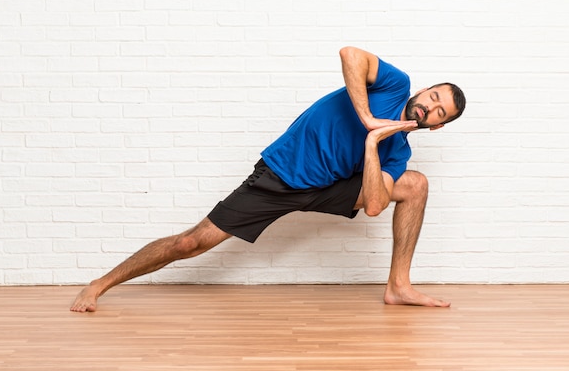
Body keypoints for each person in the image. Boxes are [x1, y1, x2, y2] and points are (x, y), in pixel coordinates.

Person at [70, 46, 466, 313]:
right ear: (423, 90)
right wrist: (367, 118)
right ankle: (100, 284)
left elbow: (375, 206)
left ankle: (398, 286)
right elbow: (350, 54)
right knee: (190, 242)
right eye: (432, 98)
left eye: (438, 113)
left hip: (330, 188)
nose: (428, 108)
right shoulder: (394, 84)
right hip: (281, 176)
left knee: (415, 184)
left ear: (436, 127)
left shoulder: (399, 152)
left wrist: (372, 141)